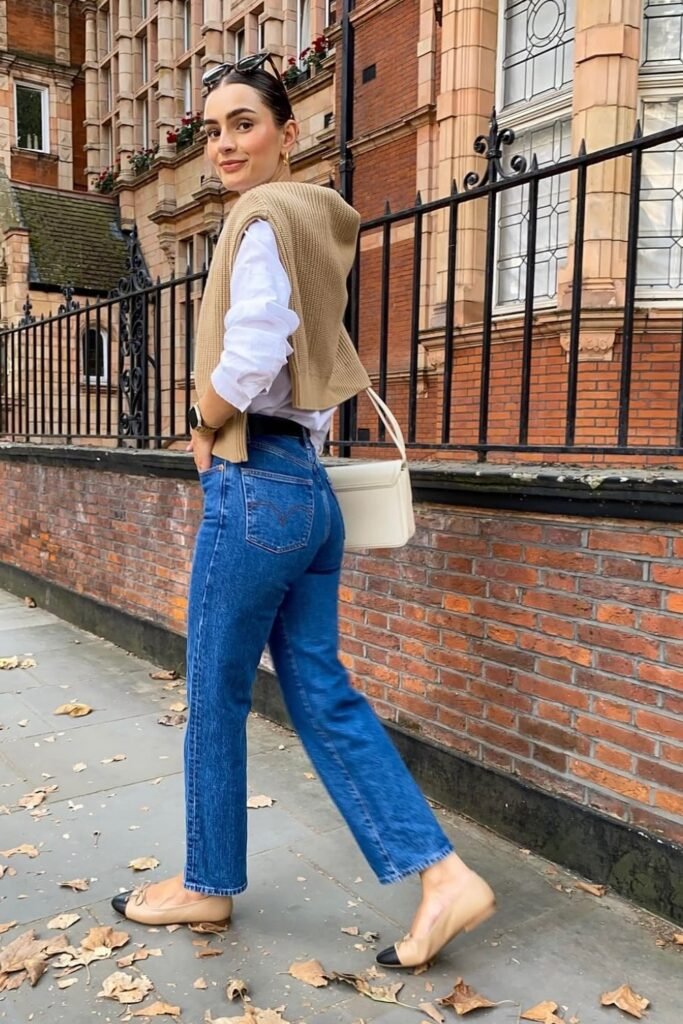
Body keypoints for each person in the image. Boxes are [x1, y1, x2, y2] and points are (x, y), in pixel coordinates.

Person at [110, 52, 495, 969]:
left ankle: (206, 885)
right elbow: (310, 371)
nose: (224, 144)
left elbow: (253, 351)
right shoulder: (319, 223)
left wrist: (202, 421)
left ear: (288, 133)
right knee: (319, 690)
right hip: (309, 490)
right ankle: (442, 876)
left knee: (214, 692)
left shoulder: (259, 221)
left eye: (243, 124)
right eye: (213, 130)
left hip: (255, 485)